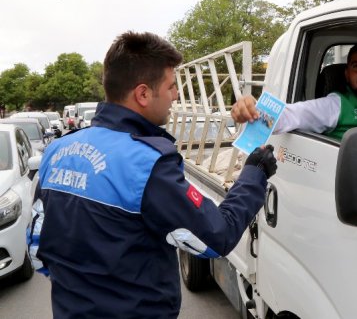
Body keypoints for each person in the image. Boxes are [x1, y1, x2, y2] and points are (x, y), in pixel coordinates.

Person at [27, 32, 277, 318]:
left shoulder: (56, 151)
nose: (176, 95)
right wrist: (255, 172)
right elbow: (215, 237)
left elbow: (37, 249)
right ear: (143, 94)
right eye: (171, 86)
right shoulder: (147, 163)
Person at [232, 41, 357, 184]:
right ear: (347, 75)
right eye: (356, 66)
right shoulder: (336, 105)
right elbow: (292, 115)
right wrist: (252, 109)